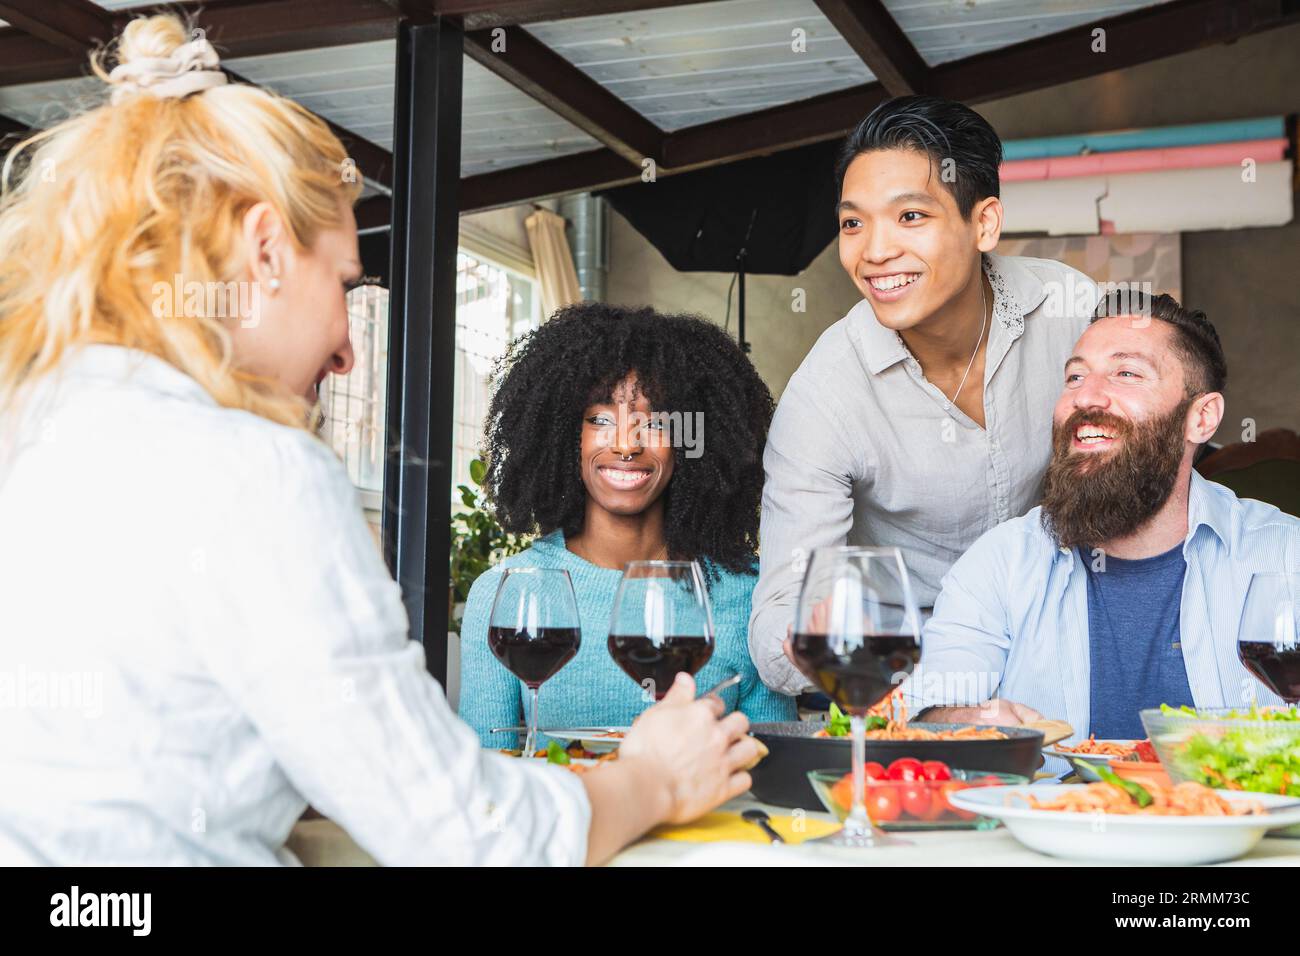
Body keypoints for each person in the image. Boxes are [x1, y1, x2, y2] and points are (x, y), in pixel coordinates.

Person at [0, 14, 758, 867]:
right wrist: (653, 778)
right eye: (345, 285)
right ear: (264, 251)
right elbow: (459, 838)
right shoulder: (258, 473)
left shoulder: (34, 426)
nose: (348, 346)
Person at [749, 95, 1101, 696]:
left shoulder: (1067, 308)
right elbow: (778, 619)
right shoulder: (825, 395)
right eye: (853, 223)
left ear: (984, 223)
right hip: (908, 677)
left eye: (910, 216)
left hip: (1072, 651)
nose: (875, 251)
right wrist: (832, 641)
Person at [901, 291, 1299, 737]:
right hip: (1048, 805)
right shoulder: (1001, 561)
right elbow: (926, 712)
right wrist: (964, 721)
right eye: (1074, 377)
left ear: (1201, 418)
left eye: (1126, 373)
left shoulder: (1287, 555)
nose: (1086, 397)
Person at [459, 304, 796, 747]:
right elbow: (488, 777)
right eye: (600, 419)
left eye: (654, 422)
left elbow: (768, 766)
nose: (625, 444)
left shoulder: (749, 594)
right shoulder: (505, 594)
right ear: (563, 434)